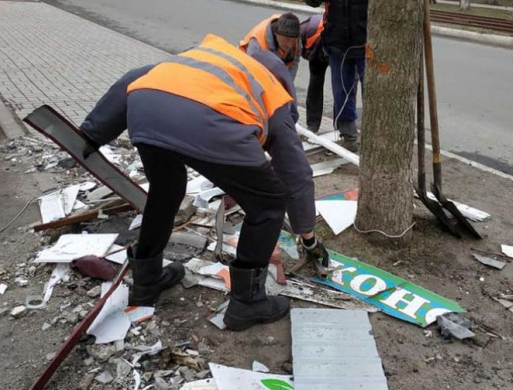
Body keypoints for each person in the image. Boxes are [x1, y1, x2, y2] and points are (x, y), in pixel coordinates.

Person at [79, 34, 329, 331]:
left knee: (167, 189)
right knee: (269, 203)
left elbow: (136, 78)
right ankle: (246, 303)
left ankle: (147, 283)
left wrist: (90, 135)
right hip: (209, 124)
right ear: (284, 84)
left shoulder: (214, 55)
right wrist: (308, 236)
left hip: (145, 111)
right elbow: (296, 175)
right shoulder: (273, 92)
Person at [304, 0, 368, 152]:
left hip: (366, 43)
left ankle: (374, 138)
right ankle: (348, 136)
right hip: (336, 42)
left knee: (372, 96)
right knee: (341, 93)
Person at [240, 13, 301, 80]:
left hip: (274, 61)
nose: (289, 45)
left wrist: (287, 86)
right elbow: (253, 77)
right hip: (247, 66)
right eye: (286, 40)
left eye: (292, 41)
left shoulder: (296, 37)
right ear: (276, 33)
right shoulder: (257, 47)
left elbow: (294, 64)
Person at [300, 14, 327, 133]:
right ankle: (312, 124)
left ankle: (342, 127)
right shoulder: (302, 32)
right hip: (317, 46)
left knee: (341, 87)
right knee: (315, 83)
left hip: (338, 47)